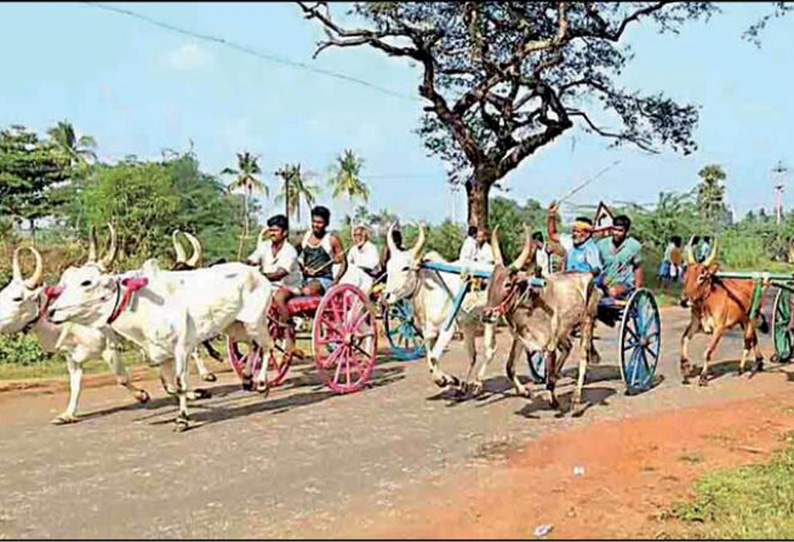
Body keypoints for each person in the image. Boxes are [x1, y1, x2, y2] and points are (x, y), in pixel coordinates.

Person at [246, 214, 303, 330]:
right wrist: (243, 267)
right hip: (268, 285)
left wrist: (258, 276)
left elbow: (279, 274)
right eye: (270, 230)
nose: (272, 233)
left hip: (289, 286)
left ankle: (289, 328)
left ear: (285, 233)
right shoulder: (264, 246)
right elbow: (251, 261)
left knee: (278, 297)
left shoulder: (290, 251)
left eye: (276, 230)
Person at [298, 205, 347, 296]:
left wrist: (336, 280)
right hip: (305, 279)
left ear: (326, 223)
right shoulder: (304, 237)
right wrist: (302, 268)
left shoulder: (332, 239)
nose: (316, 225)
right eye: (314, 222)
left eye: (320, 222)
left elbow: (344, 263)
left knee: (307, 291)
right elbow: (293, 256)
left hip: (324, 279)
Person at [546, 201, 603, 276]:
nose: (574, 234)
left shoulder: (591, 248)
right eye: (573, 231)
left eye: (578, 232)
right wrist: (551, 215)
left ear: (587, 234)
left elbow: (597, 269)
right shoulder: (571, 240)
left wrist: (587, 276)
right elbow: (552, 235)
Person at [596, 214, 643, 299]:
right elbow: (596, 265)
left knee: (612, 292)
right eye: (614, 229)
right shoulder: (601, 245)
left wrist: (637, 289)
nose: (616, 233)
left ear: (627, 232)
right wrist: (601, 279)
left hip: (624, 283)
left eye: (620, 231)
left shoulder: (634, 246)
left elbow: (637, 268)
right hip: (604, 281)